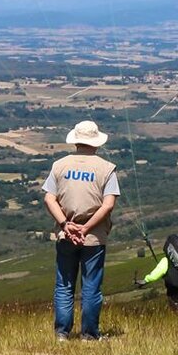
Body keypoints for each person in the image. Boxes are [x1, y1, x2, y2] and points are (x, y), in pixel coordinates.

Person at [41, 120, 119, 340]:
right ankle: (90, 335)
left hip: (66, 234)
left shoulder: (59, 165)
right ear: (96, 142)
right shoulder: (106, 168)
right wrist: (86, 228)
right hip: (94, 237)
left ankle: (62, 334)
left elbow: (49, 198)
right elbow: (108, 204)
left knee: (64, 285)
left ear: (75, 140)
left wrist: (66, 225)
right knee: (91, 286)